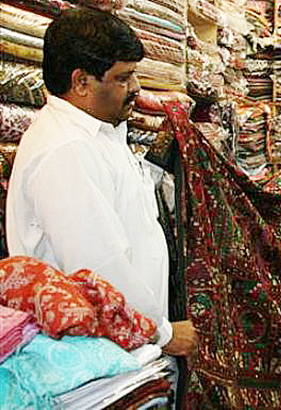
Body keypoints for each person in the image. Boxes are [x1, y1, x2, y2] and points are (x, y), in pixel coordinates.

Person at [5, 9, 196, 356]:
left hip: (125, 344)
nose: (136, 88)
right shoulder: (66, 151)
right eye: (124, 78)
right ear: (81, 82)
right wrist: (162, 333)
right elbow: (99, 266)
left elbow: (125, 212)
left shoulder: (99, 131)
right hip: (99, 350)